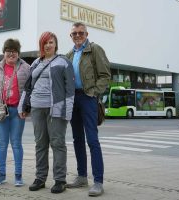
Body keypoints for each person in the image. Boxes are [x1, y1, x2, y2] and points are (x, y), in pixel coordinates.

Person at [18, 31, 75, 194]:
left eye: (51, 42)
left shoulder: (64, 62)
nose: (48, 45)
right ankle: (40, 178)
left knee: (57, 143)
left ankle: (60, 180)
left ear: (55, 44)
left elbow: (70, 90)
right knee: (40, 143)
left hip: (56, 108)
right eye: (45, 43)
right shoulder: (36, 62)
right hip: (37, 107)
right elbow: (28, 86)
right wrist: (23, 106)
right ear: (41, 46)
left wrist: (67, 111)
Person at [65, 22, 111, 197]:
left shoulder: (95, 49)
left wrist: (93, 93)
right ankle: (82, 177)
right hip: (73, 99)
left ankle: (98, 181)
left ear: (86, 33)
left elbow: (105, 75)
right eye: (74, 33)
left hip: (88, 97)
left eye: (80, 33)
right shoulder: (68, 54)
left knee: (92, 140)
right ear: (71, 36)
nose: (77, 36)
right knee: (77, 139)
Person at [0, 38, 30, 187]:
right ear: (4, 52)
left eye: (14, 51)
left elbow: (29, 90)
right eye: (8, 51)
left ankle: (18, 176)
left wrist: (26, 108)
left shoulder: (26, 67)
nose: (11, 54)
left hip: (18, 111)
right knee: (2, 144)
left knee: (16, 143)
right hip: (1, 110)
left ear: (18, 53)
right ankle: (1, 174)